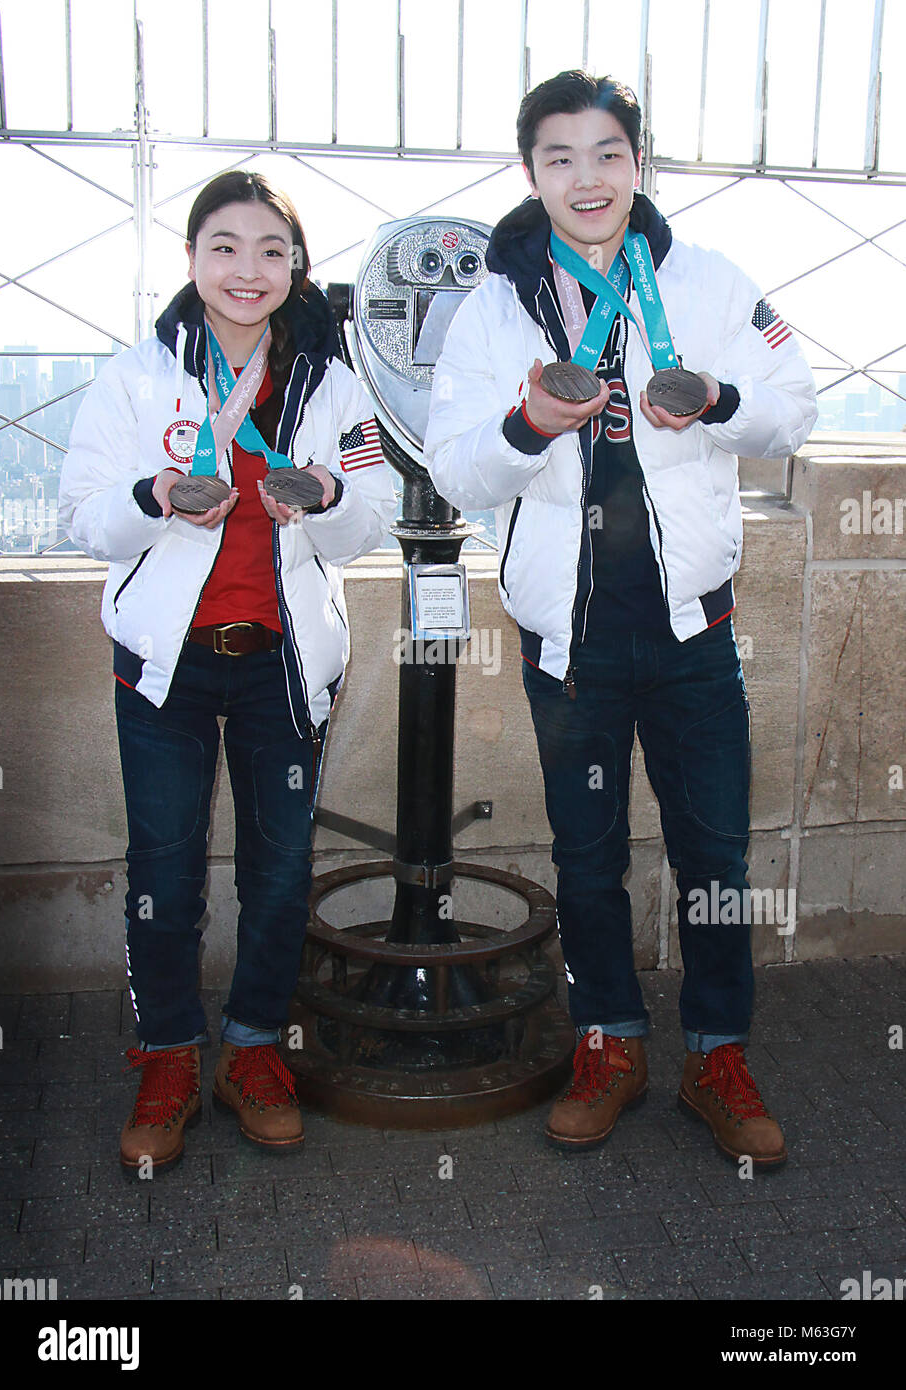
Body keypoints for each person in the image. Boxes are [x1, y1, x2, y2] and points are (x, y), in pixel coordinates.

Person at [425, 71, 817, 1166]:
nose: (586, 178)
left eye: (607, 154)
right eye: (560, 158)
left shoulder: (707, 280)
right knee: (587, 858)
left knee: (718, 860)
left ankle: (719, 1053)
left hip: (694, 631)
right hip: (574, 642)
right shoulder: (494, 306)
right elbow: (457, 469)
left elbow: (799, 401)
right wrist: (526, 422)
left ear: (639, 165)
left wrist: (722, 403)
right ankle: (608, 1039)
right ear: (531, 173)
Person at [59, 170, 396, 1170]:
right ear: (192, 259)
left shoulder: (334, 385)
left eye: (270, 251)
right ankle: (166, 1055)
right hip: (165, 667)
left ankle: (252, 1049)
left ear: (296, 267)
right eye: (224, 247)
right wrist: (158, 491)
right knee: (163, 874)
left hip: (281, 669)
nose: (247, 270)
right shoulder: (137, 375)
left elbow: (368, 521)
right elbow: (81, 516)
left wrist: (329, 494)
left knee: (280, 872)